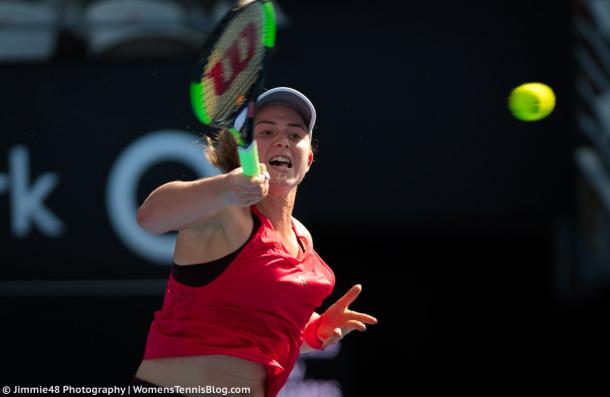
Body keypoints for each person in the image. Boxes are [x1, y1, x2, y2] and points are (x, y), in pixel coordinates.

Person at [133, 87, 378, 397]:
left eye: (295, 134)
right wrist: (226, 187)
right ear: (239, 151)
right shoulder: (225, 210)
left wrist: (313, 333)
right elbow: (150, 216)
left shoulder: (301, 237)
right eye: (266, 131)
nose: (282, 141)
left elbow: (254, 333)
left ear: (309, 159)